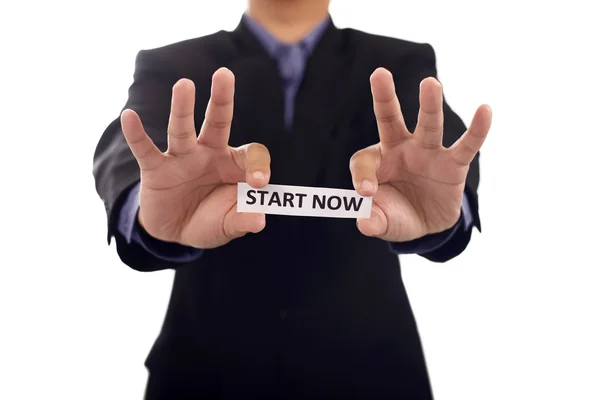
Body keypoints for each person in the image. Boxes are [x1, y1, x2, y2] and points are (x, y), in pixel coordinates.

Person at [93, 0, 492, 398]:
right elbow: (128, 147)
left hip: (370, 375)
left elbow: (443, 151)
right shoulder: (173, 64)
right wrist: (141, 204)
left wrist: (450, 212)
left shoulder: (399, 62)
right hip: (205, 375)